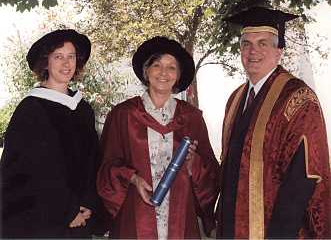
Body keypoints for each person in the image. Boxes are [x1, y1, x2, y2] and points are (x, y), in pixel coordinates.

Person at [215, 6, 331, 239]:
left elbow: (303, 178)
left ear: (279, 51)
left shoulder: (298, 98)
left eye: (262, 43)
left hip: (277, 230)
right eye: (246, 44)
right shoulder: (236, 98)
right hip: (231, 227)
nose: (253, 51)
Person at [97, 36, 220, 239]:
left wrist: (193, 164)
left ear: (178, 76)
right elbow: (106, 167)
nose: (164, 73)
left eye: (172, 67)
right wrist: (133, 178)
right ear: (146, 72)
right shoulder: (123, 115)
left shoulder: (191, 118)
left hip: (180, 216)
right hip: (135, 212)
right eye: (157, 65)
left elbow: (212, 172)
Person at [0, 29, 106, 238]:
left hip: (79, 220)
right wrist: (66, 211)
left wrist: (88, 204)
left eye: (71, 56)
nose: (66, 64)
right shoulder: (31, 110)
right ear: (45, 63)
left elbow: (93, 163)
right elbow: (26, 171)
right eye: (58, 57)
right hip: (41, 222)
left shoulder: (83, 109)